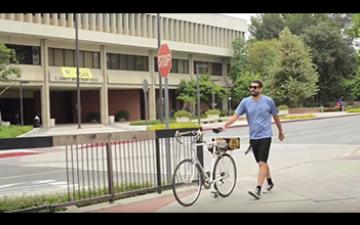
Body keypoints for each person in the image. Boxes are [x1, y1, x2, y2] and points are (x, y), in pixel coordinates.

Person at [221, 80, 285, 200]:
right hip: (253, 137)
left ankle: (258, 189)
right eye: (250, 87)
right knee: (262, 162)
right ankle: (270, 182)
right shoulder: (245, 102)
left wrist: (280, 131)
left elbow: (276, 117)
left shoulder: (268, 101)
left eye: (255, 87)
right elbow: (236, 116)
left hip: (266, 136)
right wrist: (225, 125)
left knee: (262, 163)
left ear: (261, 88)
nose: (252, 89)